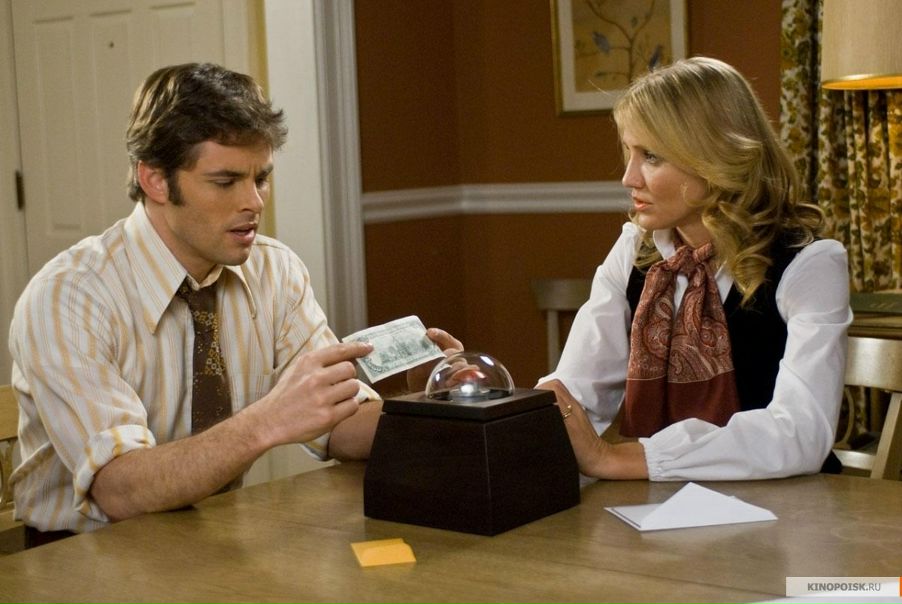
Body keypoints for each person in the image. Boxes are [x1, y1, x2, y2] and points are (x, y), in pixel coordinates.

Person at [8, 62, 460, 545]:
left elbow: (338, 421)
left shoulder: (275, 271)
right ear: (155, 180)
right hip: (81, 554)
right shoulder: (69, 296)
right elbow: (120, 491)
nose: (255, 202)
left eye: (261, 178)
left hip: (210, 538)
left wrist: (431, 412)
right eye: (225, 182)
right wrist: (267, 421)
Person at [538, 57, 851, 481]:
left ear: (715, 157)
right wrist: (478, 399)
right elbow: (575, 393)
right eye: (629, 152)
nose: (629, 178)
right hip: (661, 501)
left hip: (789, 508)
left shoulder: (810, 263)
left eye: (651, 156)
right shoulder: (635, 249)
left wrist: (616, 460)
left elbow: (801, 433)